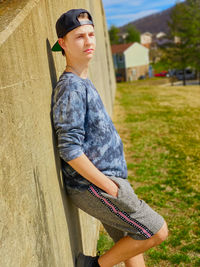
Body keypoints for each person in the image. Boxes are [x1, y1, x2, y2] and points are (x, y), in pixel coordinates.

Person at [51, 8, 168, 267]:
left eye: (91, 34)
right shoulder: (70, 87)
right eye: (79, 36)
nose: (89, 41)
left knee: (130, 240)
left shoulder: (83, 80)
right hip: (95, 186)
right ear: (63, 43)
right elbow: (69, 148)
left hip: (108, 182)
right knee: (156, 230)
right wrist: (109, 187)